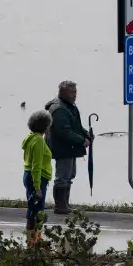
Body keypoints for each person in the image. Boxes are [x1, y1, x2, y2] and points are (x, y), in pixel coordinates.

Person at [45, 80, 91, 214]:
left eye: (75, 92)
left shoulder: (69, 106)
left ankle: (65, 203)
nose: (74, 95)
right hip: (62, 148)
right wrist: (82, 141)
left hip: (69, 147)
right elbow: (63, 131)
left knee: (70, 175)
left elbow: (74, 125)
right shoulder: (59, 108)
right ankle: (60, 205)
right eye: (72, 92)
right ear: (63, 92)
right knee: (63, 176)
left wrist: (85, 133)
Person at [22, 110, 53, 243]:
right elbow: (36, 165)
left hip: (28, 175)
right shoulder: (39, 141)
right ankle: (34, 242)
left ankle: (31, 241)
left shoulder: (30, 138)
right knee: (38, 213)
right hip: (37, 178)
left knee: (32, 210)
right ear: (45, 126)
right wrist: (37, 187)